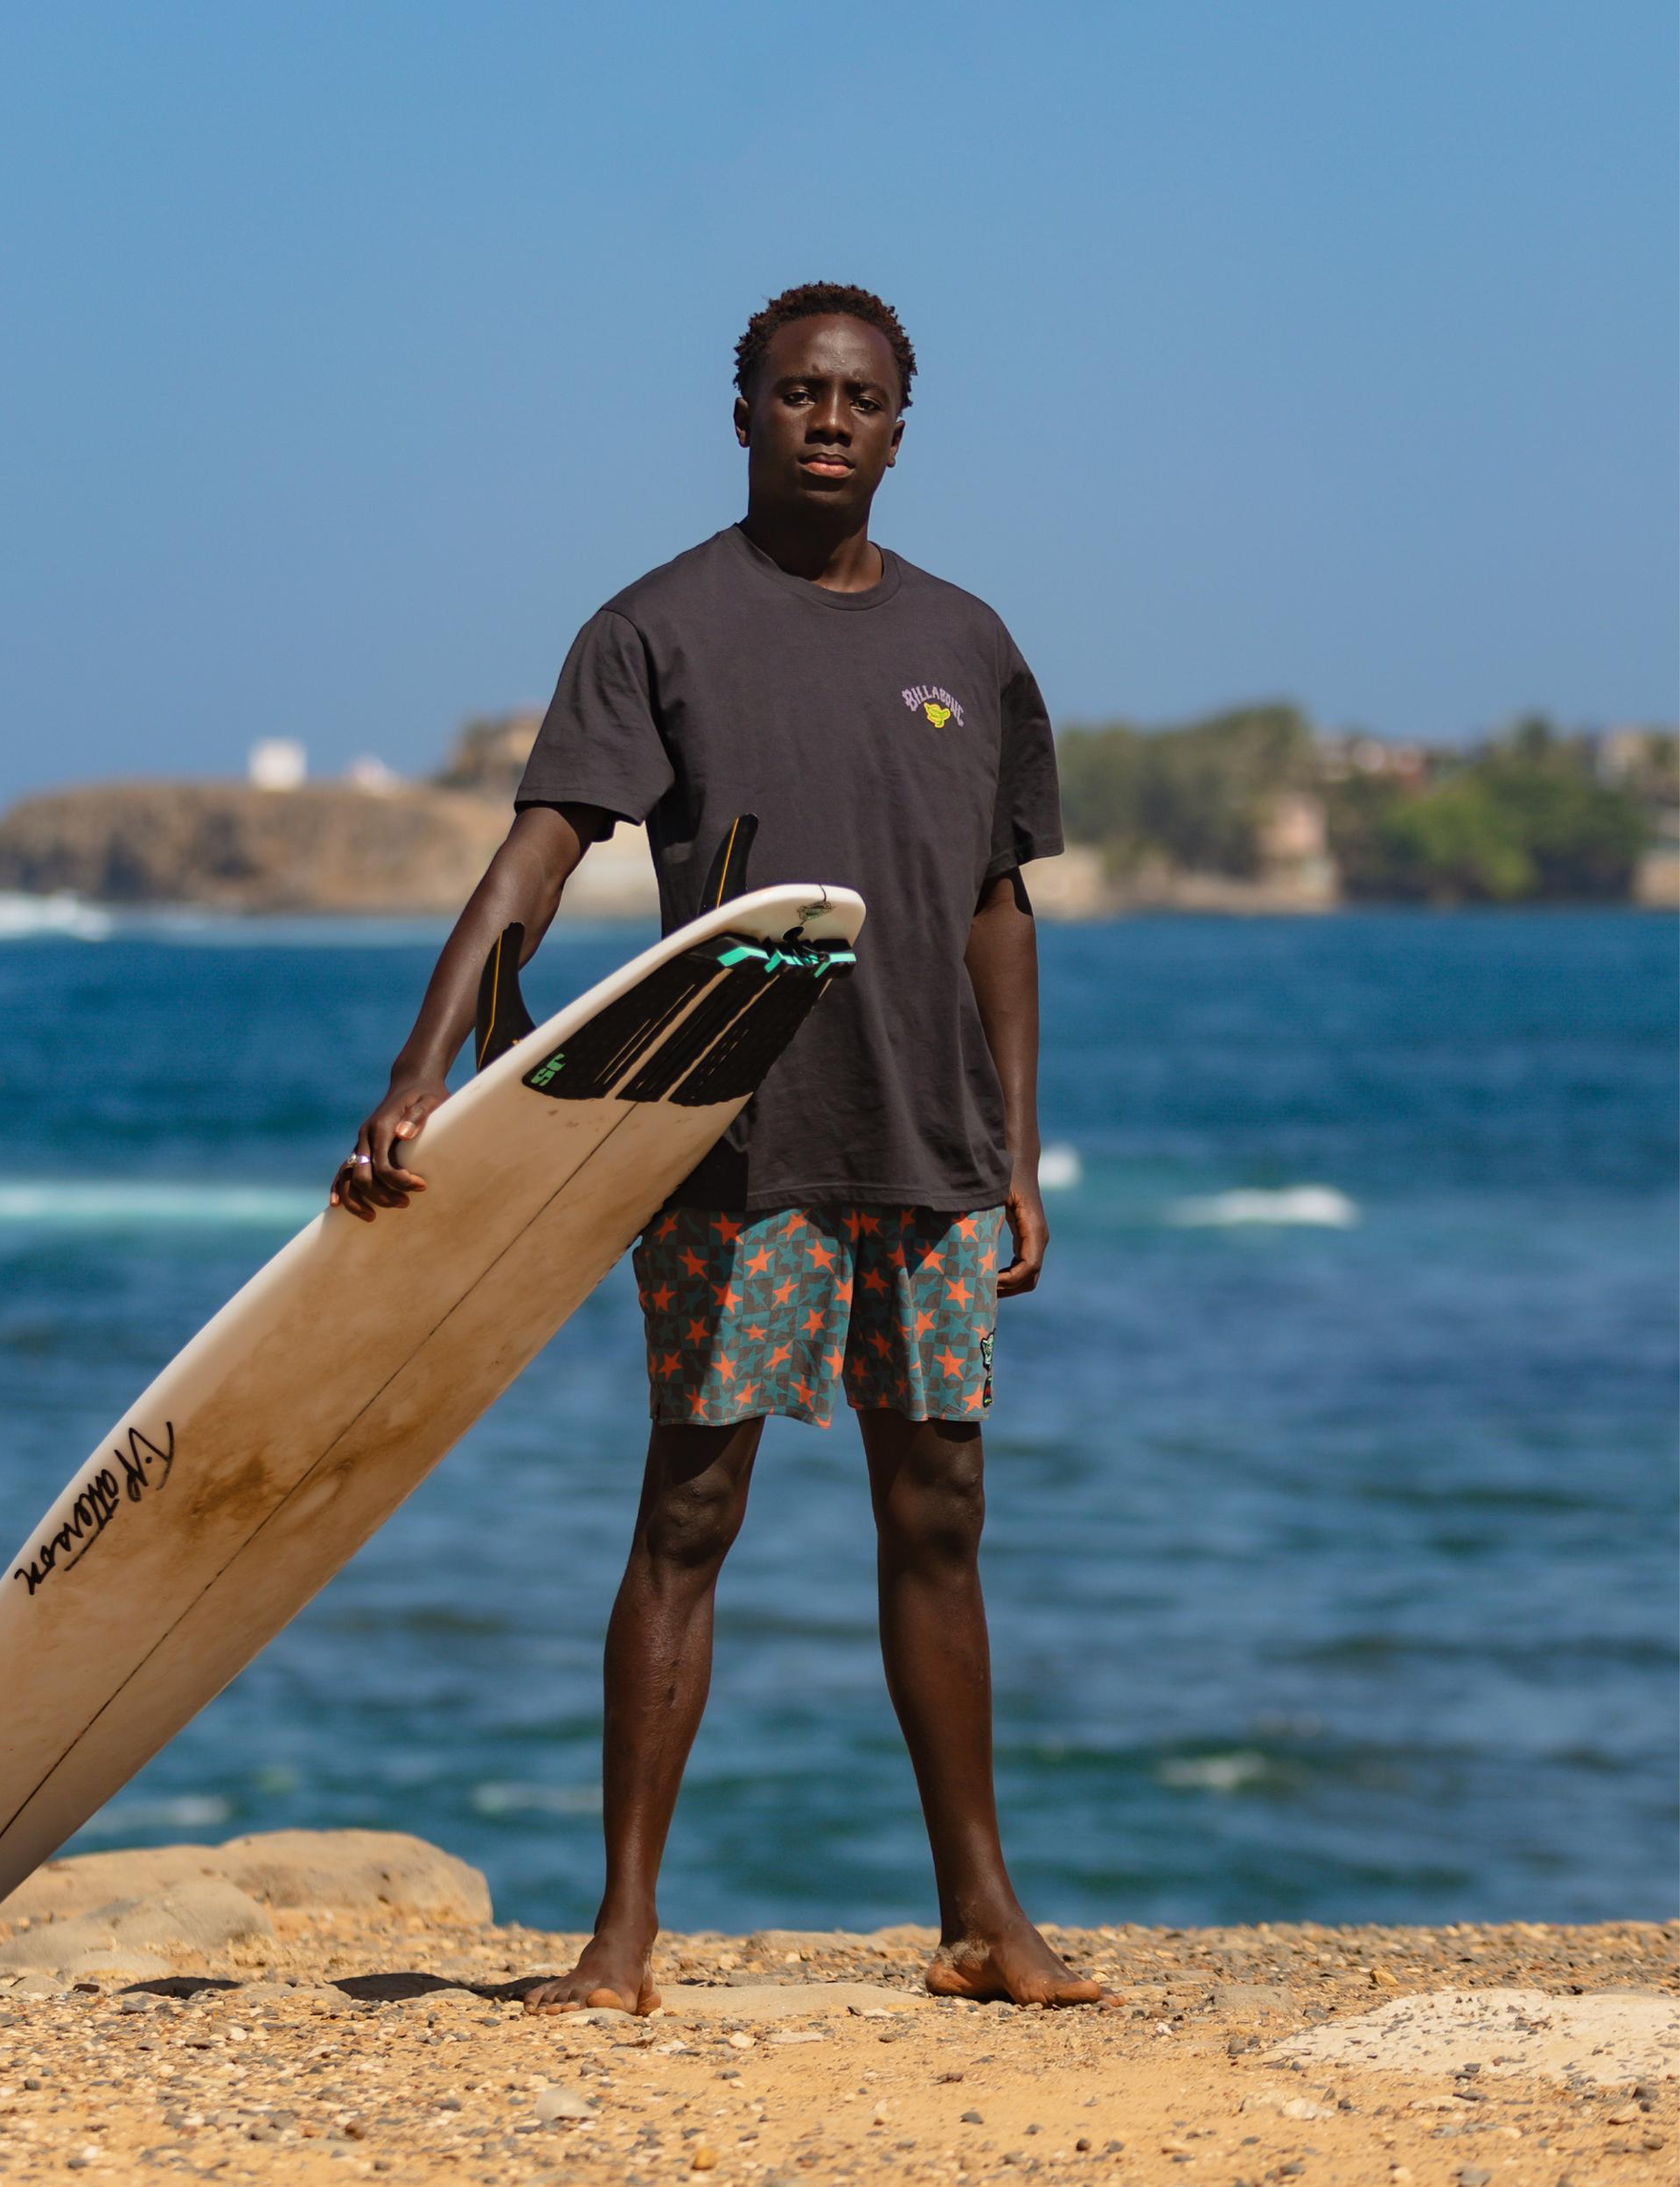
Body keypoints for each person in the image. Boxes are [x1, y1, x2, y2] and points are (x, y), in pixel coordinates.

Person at [332, 282, 1123, 2016]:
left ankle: (984, 1914)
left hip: (923, 1146)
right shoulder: (656, 627)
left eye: (857, 397)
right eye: (793, 393)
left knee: (943, 1509)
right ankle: (621, 1935)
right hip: (725, 1146)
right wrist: (416, 1072)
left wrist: (1021, 1151)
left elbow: (998, 913)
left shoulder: (970, 644)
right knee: (688, 1508)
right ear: (742, 410)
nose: (825, 420)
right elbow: (534, 857)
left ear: (902, 425)